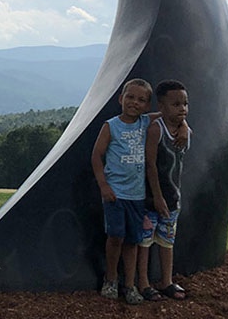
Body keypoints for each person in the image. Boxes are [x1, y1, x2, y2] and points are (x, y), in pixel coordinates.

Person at [91, 78, 153, 305]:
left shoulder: (145, 123)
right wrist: (103, 186)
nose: (134, 103)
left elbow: (164, 116)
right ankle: (111, 279)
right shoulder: (111, 125)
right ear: (120, 99)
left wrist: (183, 125)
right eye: (130, 97)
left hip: (137, 195)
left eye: (141, 100)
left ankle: (130, 284)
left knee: (133, 240)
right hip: (115, 193)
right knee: (116, 236)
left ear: (147, 106)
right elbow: (96, 155)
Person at [137, 79, 191, 301]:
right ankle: (143, 282)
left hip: (172, 199)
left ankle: (167, 281)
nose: (182, 109)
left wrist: (185, 126)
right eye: (176, 104)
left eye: (185, 104)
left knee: (167, 241)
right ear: (162, 106)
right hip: (152, 199)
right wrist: (157, 197)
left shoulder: (183, 131)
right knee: (145, 241)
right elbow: (150, 165)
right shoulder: (155, 130)